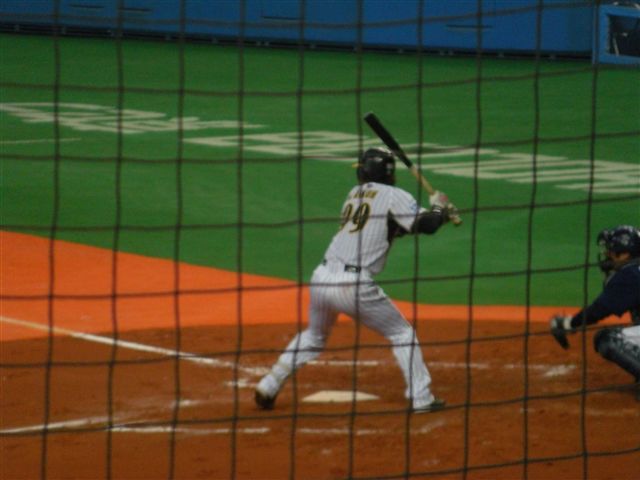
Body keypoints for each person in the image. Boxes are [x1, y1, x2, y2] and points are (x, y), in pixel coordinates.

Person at [254, 147, 458, 413]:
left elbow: (393, 228)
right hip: (353, 285)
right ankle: (421, 398)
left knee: (314, 336)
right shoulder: (394, 195)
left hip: (322, 277)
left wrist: (439, 215)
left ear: (365, 172)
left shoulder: (355, 194)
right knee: (402, 333)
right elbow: (426, 226)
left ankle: (269, 385)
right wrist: (440, 208)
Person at [550, 225, 640, 400]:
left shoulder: (630, 274)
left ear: (624, 254)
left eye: (611, 251)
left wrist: (569, 324)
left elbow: (600, 309)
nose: (607, 255)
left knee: (608, 339)